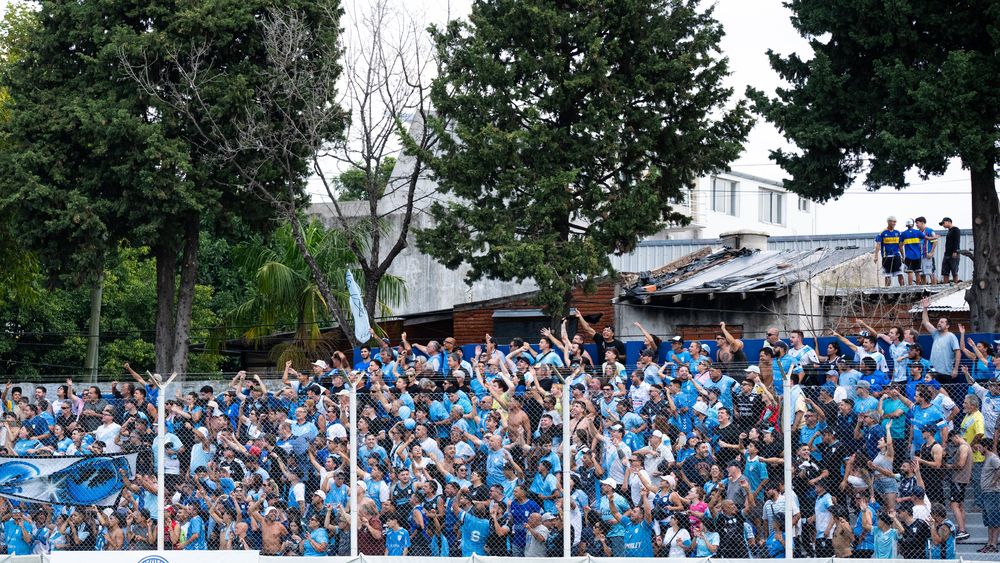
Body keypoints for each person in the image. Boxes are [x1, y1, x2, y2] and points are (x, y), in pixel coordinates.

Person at [920, 297, 961, 380]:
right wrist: (925, 308)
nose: (939, 323)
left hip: (946, 373)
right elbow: (926, 322)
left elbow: (958, 352)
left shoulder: (951, 336)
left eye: (942, 322)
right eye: (939, 322)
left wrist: (956, 369)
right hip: (933, 372)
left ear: (947, 326)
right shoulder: (935, 334)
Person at [874, 215, 904, 287]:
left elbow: (900, 246)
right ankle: (887, 289)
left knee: (900, 273)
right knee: (887, 275)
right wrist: (876, 256)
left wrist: (903, 256)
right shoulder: (882, 232)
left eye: (895, 222)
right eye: (893, 222)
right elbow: (878, 245)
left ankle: (903, 288)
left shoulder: (898, 233)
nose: (894, 223)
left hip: (896, 256)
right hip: (886, 256)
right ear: (888, 222)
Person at [900, 218, 926, 285]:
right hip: (917, 256)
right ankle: (917, 286)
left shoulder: (903, 234)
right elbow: (925, 238)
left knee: (910, 272)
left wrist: (903, 256)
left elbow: (900, 246)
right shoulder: (918, 232)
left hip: (908, 256)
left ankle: (910, 287)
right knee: (917, 272)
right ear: (913, 224)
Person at [915, 216, 938, 284]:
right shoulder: (918, 232)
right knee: (922, 274)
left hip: (927, 255)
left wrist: (931, 252)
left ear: (922, 223)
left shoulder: (930, 230)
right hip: (920, 256)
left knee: (931, 273)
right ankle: (924, 288)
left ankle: (934, 287)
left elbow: (935, 241)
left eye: (917, 223)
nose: (916, 225)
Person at [938, 216, 961, 284]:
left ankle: (956, 285)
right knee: (945, 272)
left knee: (954, 272)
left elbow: (957, 241)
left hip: (953, 254)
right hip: (947, 254)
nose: (943, 225)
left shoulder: (956, 229)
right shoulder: (949, 231)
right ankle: (945, 286)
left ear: (949, 222)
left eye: (943, 223)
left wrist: (955, 251)